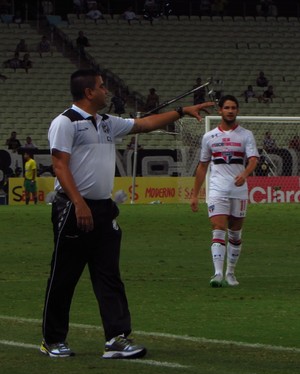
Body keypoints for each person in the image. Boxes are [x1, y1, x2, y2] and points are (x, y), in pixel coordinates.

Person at [40, 68, 214, 358]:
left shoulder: (107, 122)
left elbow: (144, 124)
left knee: (109, 275)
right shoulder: (65, 123)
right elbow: (60, 165)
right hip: (73, 207)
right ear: (89, 93)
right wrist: (79, 203)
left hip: (104, 209)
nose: (106, 90)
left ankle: (117, 338)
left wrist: (181, 111)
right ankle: (53, 339)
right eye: (101, 86)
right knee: (64, 276)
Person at [190, 95, 259, 287]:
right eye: (227, 107)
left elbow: (253, 160)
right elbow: (202, 166)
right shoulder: (209, 137)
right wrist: (195, 194)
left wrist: (244, 174)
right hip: (217, 190)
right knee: (218, 229)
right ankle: (217, 273)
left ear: (237, 111)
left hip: (239, 191)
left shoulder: (246, 135)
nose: (230, 111)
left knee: (235, 234)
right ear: (220, 111)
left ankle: (230, 273)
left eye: (234, 108)